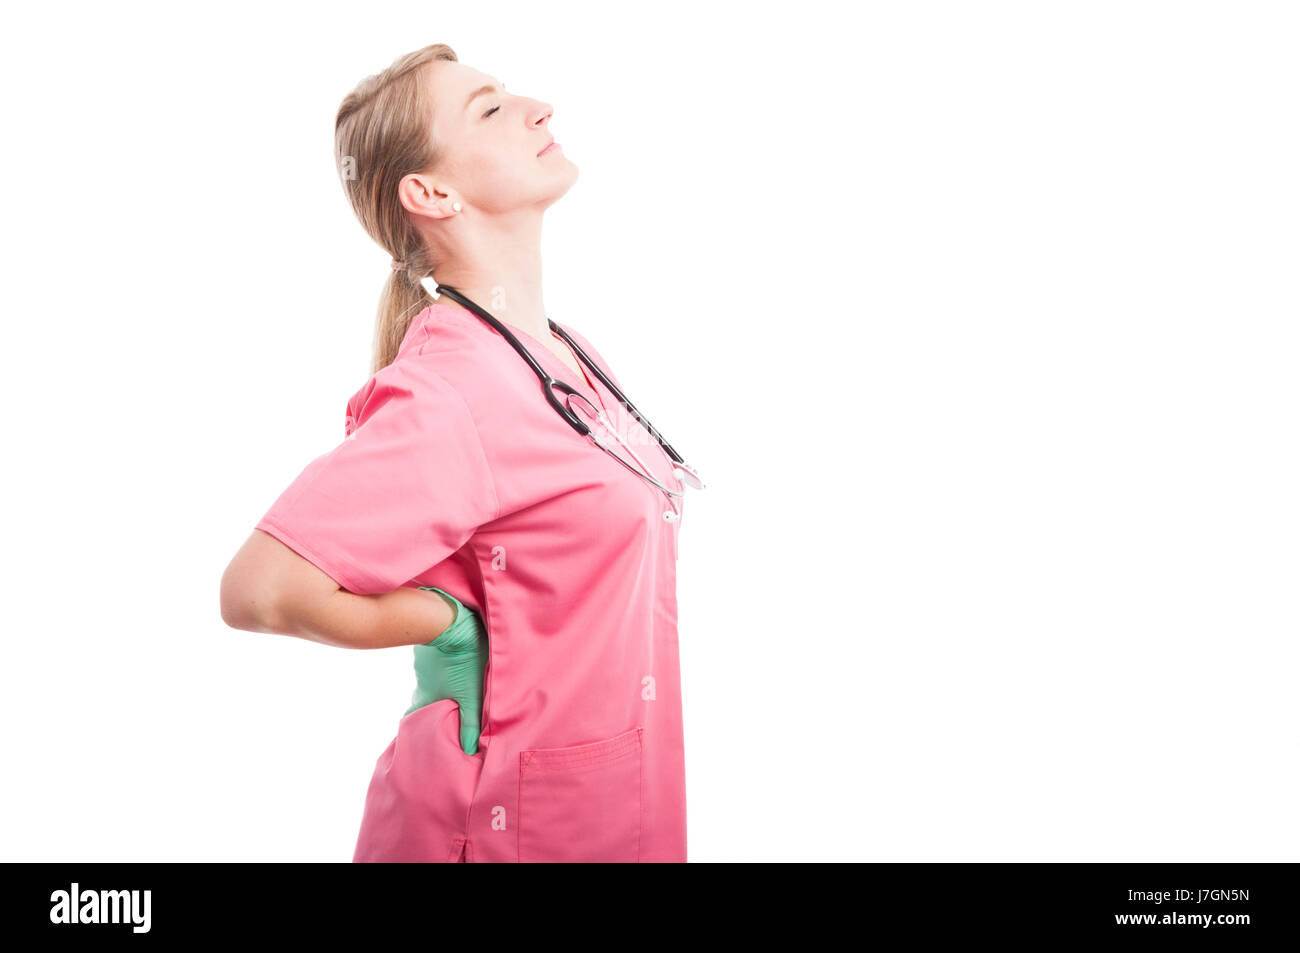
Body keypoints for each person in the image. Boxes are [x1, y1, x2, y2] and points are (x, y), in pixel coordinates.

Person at [219, 42, 689, 863]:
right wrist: (447, 623)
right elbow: (260, 587)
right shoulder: (453, 389)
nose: (539, 107)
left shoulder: (563, 354)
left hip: (606, 806)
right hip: (497, 824)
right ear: (431, 193)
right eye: (490, 108)